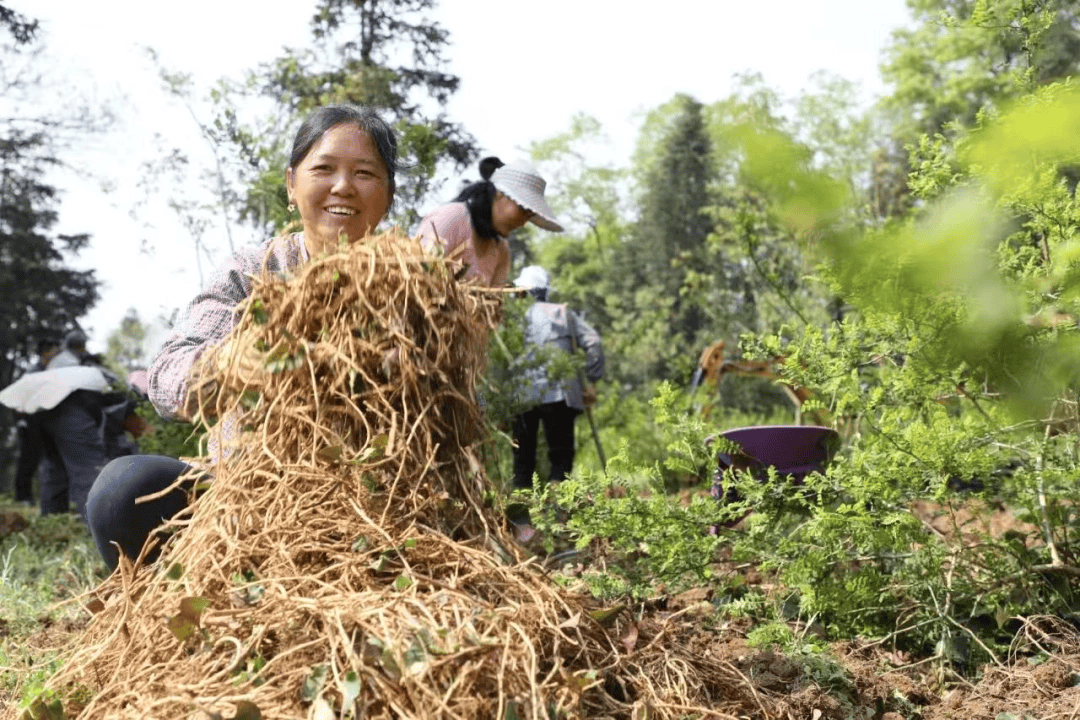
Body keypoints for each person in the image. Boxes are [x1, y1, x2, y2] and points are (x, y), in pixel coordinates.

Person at [85, 104, 399, 570]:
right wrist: (230, 364)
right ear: (292, 185)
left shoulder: (416, 291)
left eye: (365, 173)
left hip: (377, 511)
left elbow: (457, 421)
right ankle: (173, 611)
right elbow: (167, 377)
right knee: (123, 489)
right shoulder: (254, 272)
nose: (342, 187)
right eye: (324, 169)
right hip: (241, 499)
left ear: (389, 193)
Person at [510, 265, 604, 490]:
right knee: (561, 454)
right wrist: (592, 380)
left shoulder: (513, 320)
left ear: (522, 291)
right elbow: (594, 341)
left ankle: (522, 511)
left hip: (521, 395)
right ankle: (557, 507)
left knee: (522, 456)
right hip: (560, 393)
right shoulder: (563, 313)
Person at [416, 157, 563, 287]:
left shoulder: (501, 250)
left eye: (529, 215)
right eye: (523, 209)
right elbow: (417, 278)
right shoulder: (451, 217)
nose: (524, 222)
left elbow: (491, 308)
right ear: (500, 194)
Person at [11, 338, 60, 505]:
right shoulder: (33, 373)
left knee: (52, 460)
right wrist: (21, 421)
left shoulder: (53, 372)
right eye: (53, 350)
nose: (56, 353)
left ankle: (52, 500)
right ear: (45, 352)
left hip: (48, 422)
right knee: (28, 460)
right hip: (31, 422)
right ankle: (23, 496)